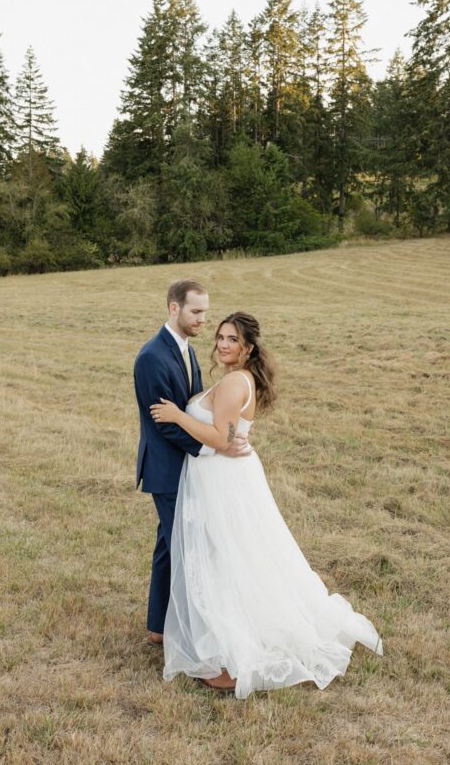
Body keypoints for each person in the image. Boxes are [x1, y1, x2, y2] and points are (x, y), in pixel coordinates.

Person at [149, 311, 384, 698]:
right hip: (223, 477)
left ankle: (231, 650)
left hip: (222, 479)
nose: (223, 344)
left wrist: (177, 415)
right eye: (220, 337)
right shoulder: (239, 379)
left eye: (232, 340)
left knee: (225, 558)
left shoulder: (233, 384)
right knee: (231, 555)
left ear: (248, 348)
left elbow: (222, 440)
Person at [133, 280, 252, 649]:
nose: (203, 320)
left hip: (188, 465)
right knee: (189, 550)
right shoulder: (153, 356)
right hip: (167, 469)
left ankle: (158, 626)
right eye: (196, 312)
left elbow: (189, 405)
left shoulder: (185, 349)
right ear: (174, 308)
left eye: (205, 312)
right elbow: (162, 421)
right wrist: (214, 447)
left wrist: (222, 433)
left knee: (169, 547)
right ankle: (194, 638)